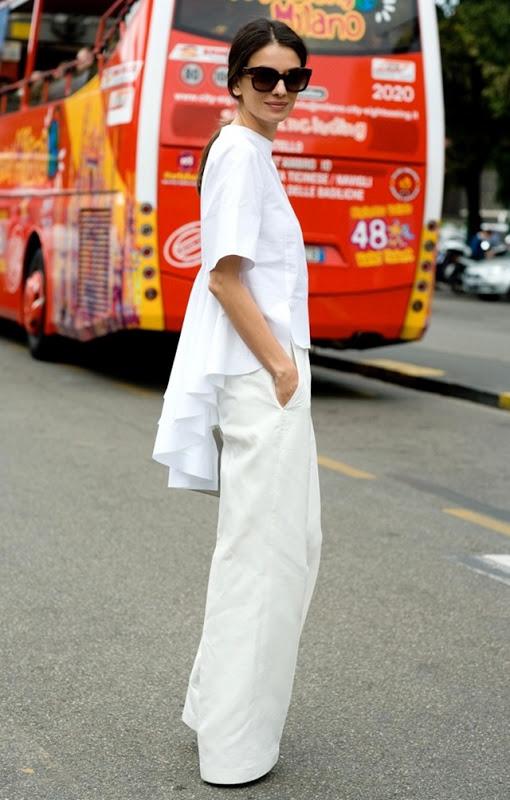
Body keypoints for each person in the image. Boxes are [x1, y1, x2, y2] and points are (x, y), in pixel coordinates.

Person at [152, 18, 322, 786]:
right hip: (264, 380)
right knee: (269, 560)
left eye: (294, 78)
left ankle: (214, 716)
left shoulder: (250, 152)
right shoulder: (239, 154)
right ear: (234, 80)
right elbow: (224, 276)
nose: (280, 90)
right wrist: (283, 369)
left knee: (270, 552)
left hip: (267, 376)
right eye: (265, 77)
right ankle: (234, 750)